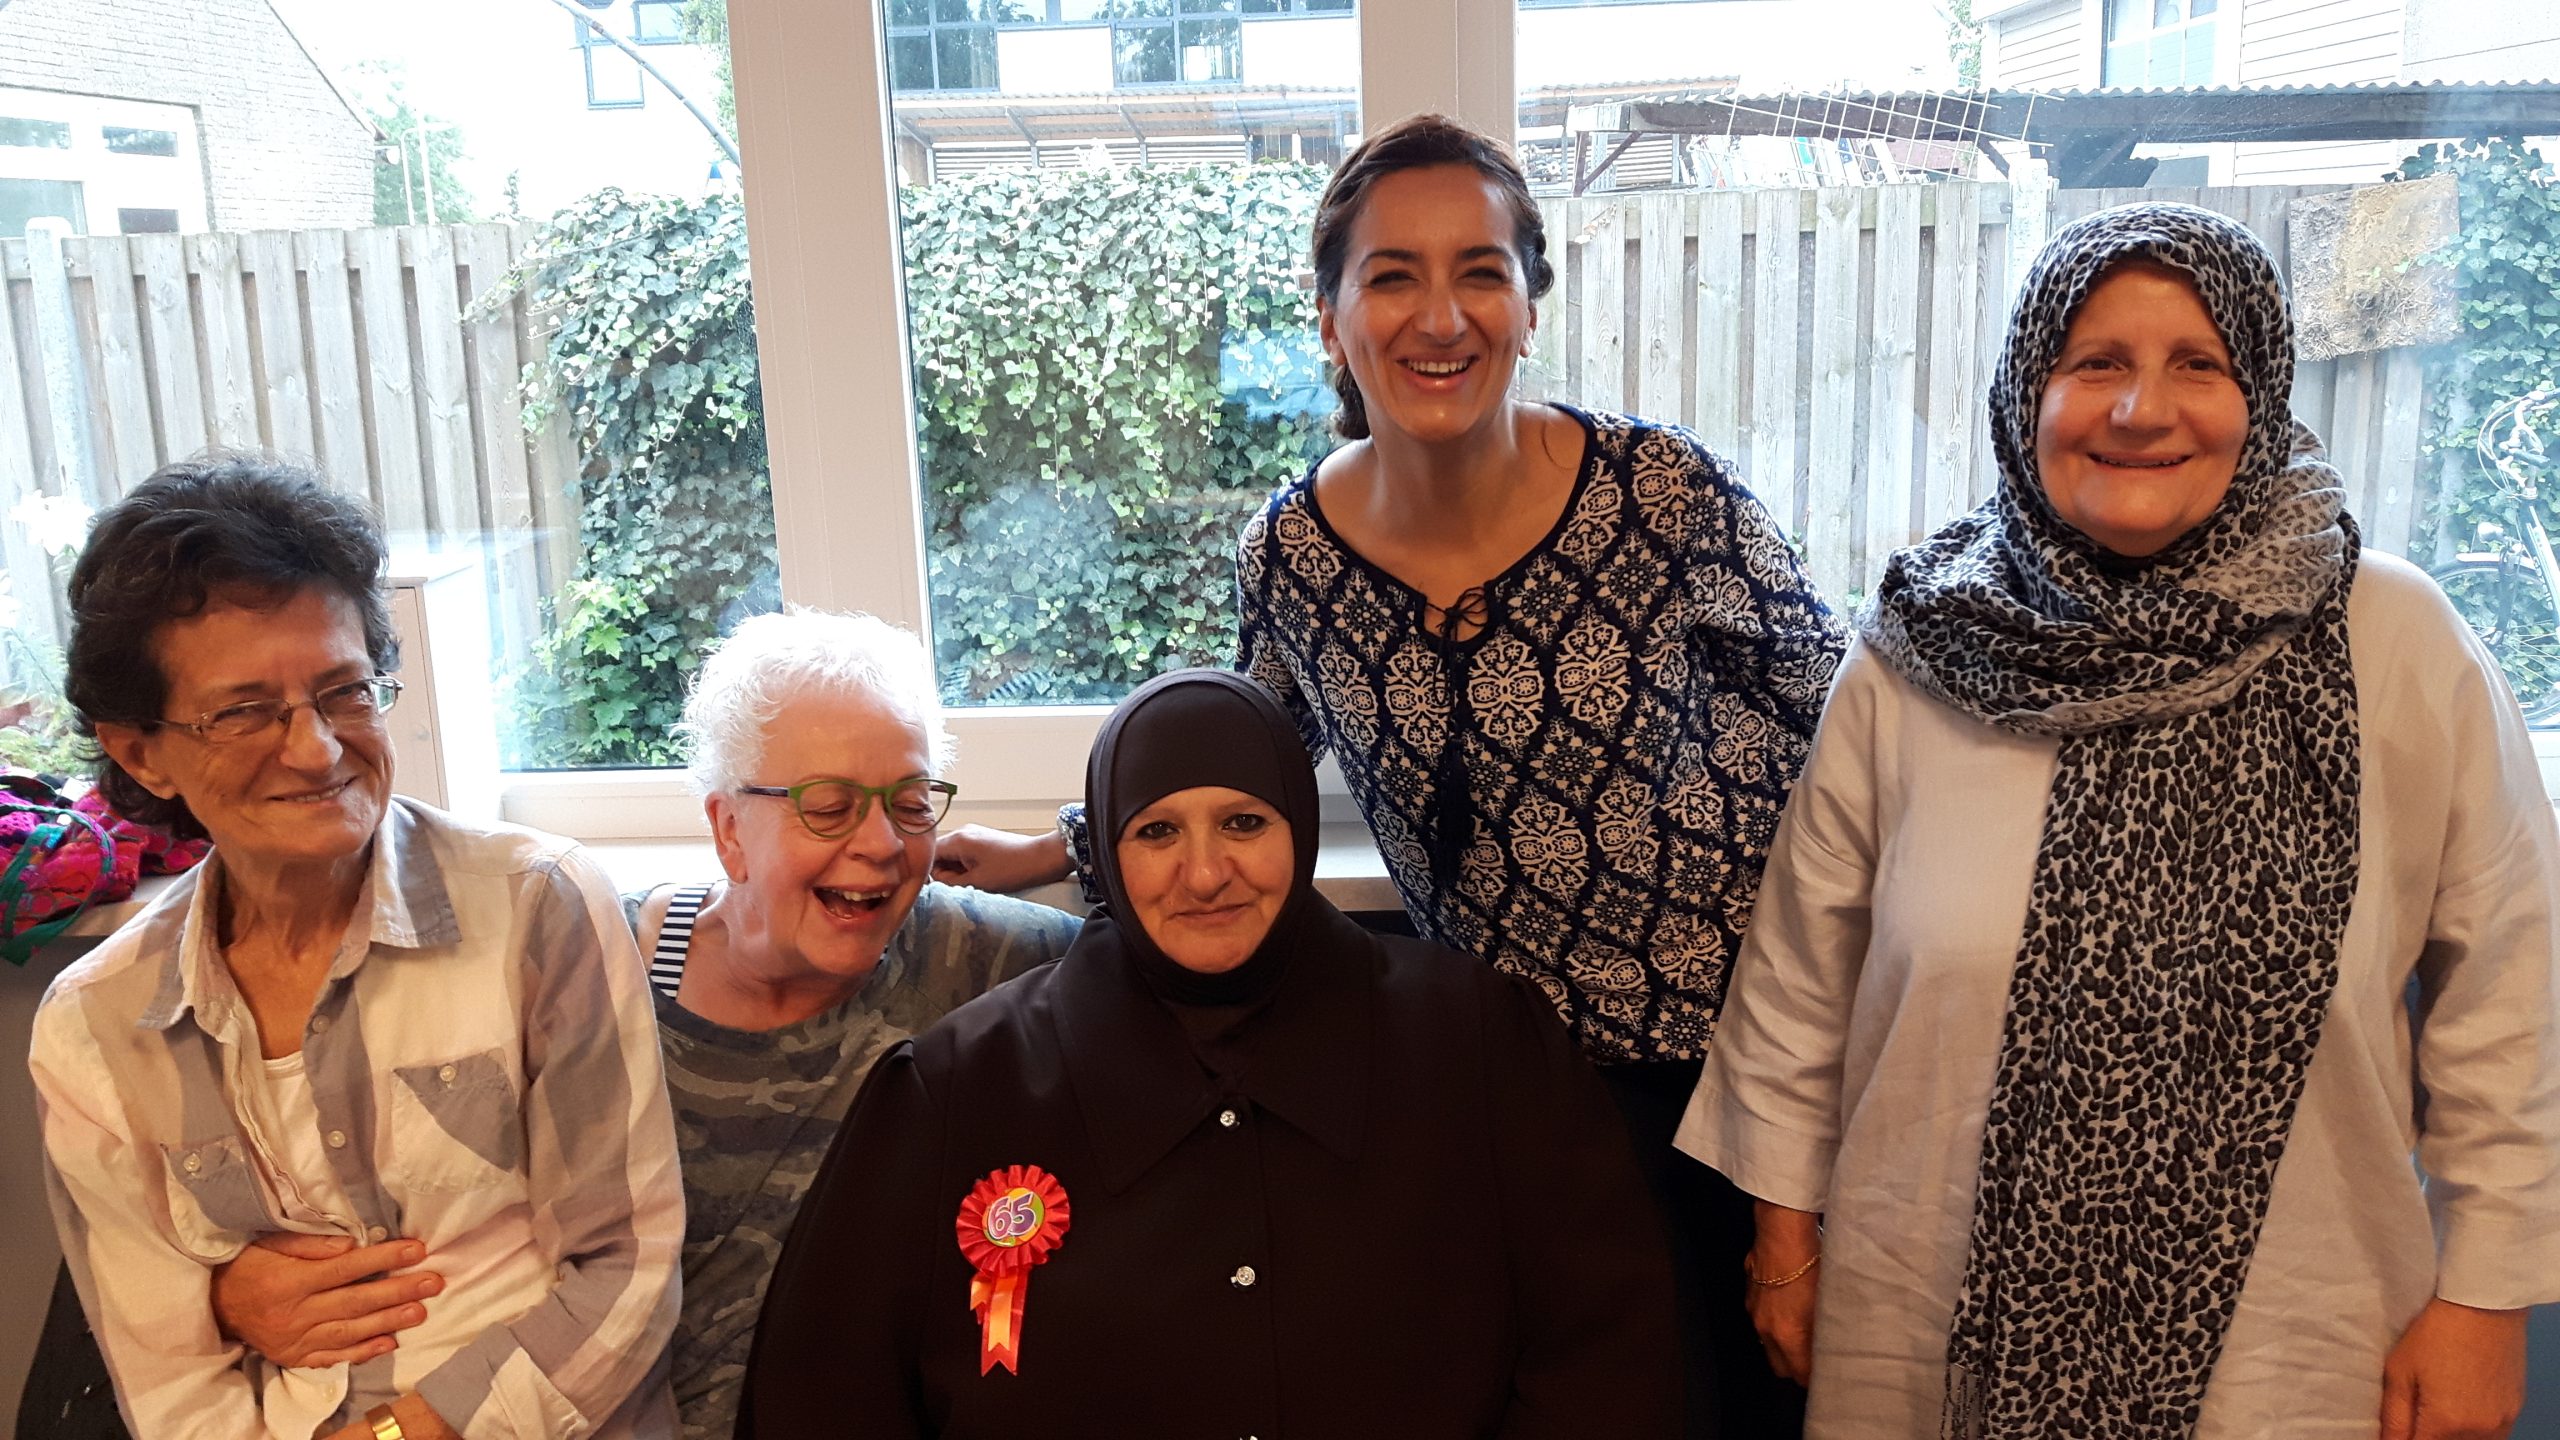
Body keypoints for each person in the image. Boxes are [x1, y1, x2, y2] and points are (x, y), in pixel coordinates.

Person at [934, 112, 1845, 1437]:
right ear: (1331, 321)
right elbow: (1251, 752)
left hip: (1731, 1085)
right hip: (1496, 1087)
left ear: (1530, 304)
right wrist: (1048, 854)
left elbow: (1842, 736)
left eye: (1481, 271)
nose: (1440, 316)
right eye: (1393, 276)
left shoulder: (1664, 493)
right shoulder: (1295, 550)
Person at [1680, 202, 2560, 1440]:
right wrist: (1783, 1247)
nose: (2143, 411)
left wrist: (2483, 1299)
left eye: (2196, 364)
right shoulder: (1916, 652)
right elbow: (1798, 981)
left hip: (2293, 1339)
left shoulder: (2394, 640)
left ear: (2260, 393)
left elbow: (2512, 994)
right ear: (2023, 393)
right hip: (1925, 1312)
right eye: (2095, 363)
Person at [196, 610, 1083, 1440]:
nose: (883, 843)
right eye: (829, 806)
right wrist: (224, 1297)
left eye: (912, 802)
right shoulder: (584, 957)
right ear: (728, 830)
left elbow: (1163, 923)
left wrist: (1059, 848)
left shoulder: (983, 960)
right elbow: (400, 1196)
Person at [744, 668, 1680, 1438]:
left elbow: (1610, 1357)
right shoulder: (959, 1087)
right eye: (1156, 831)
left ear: (1298, 828)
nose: (1204, 874)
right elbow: (827, 1399)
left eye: (1244, 823)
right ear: (1107, 854)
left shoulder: (1478, 1043)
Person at [30, 455, 684, 1439]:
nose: (317, 749)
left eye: (344, 691)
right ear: (139, 751)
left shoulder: (535, 908)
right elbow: (164, 1370)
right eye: (245, 710)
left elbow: (626, 1270)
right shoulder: (94, 1028)